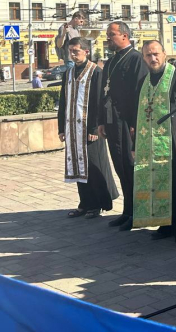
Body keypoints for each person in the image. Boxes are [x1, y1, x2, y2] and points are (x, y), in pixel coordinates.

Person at [131, 41, 176, 245]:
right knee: (161, 185)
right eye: (148, 55)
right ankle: (166, 224)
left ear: (165, 54)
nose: (153, 58)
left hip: (175, 142)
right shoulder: (144, 81)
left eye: (156, 54)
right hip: (152, 145)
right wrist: (135, 145)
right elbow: (138, 115)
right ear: (144, 58)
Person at [58, 38, 118, 219]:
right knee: (77, 167)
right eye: (71, 51)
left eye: (76, 50)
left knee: (93, 166)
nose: (73, 54)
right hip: (72, 130)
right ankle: (85, 203)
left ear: (86, 51)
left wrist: (94, 128)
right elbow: (63, 102)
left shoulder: (96, 72)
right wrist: (61, 127)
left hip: (90, 130)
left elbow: (100, 102)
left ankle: (99, 203)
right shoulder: (68, 73)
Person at [98, 22, 148, 231]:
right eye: (108, 35)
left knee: (130, 168)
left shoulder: (136, 59)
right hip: (112, 123)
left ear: (125, 36)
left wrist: (136, 125)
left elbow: (140, 94)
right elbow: (104, 92)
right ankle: (127, 211)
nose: (108, 38)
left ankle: (137, 212)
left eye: (112, 35)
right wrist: (101, 121)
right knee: (120, 168)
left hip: (128, 123)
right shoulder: (111, 61)